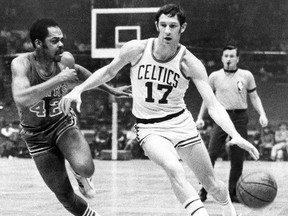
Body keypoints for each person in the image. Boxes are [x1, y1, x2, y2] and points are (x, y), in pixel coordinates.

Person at [59, 4, 259, 216]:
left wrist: (235, 134)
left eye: (173, 26)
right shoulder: (136, 49)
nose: (167, 30)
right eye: (163, 25)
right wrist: (79, 89)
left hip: (181, 124)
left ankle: (230, 212)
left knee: (213, 185)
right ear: (156, 25)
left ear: (182, 28)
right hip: (149, 128)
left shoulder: (189, 62)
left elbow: (213, 105)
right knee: (174, 169)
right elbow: (108, 72)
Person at [11, 18, 131, 216]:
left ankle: (79, 174)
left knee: (86, 169)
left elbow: (80, 72)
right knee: (65, 196)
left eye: (61, 39)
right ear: (38, 44)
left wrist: (110, 89)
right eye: (54, 40)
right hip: (36, 136)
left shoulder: (65, 60)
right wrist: (58, 79)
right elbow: (21, 98)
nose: (61, 44)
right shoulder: (21, 64)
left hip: (62, 123)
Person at [196, 45, 268, 203]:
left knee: (237, 157)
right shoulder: (214, 76)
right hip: (221, 117)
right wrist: (200, 117)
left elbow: (254, 97)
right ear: (222, 58)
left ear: (237, 58)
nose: (228, 59)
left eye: (232, 56)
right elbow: (207, 99)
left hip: (240, 117)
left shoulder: (246, 75)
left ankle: (233, 191)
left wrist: (262, 113)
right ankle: (204, 189)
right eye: (226, 56)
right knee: (211, 154)